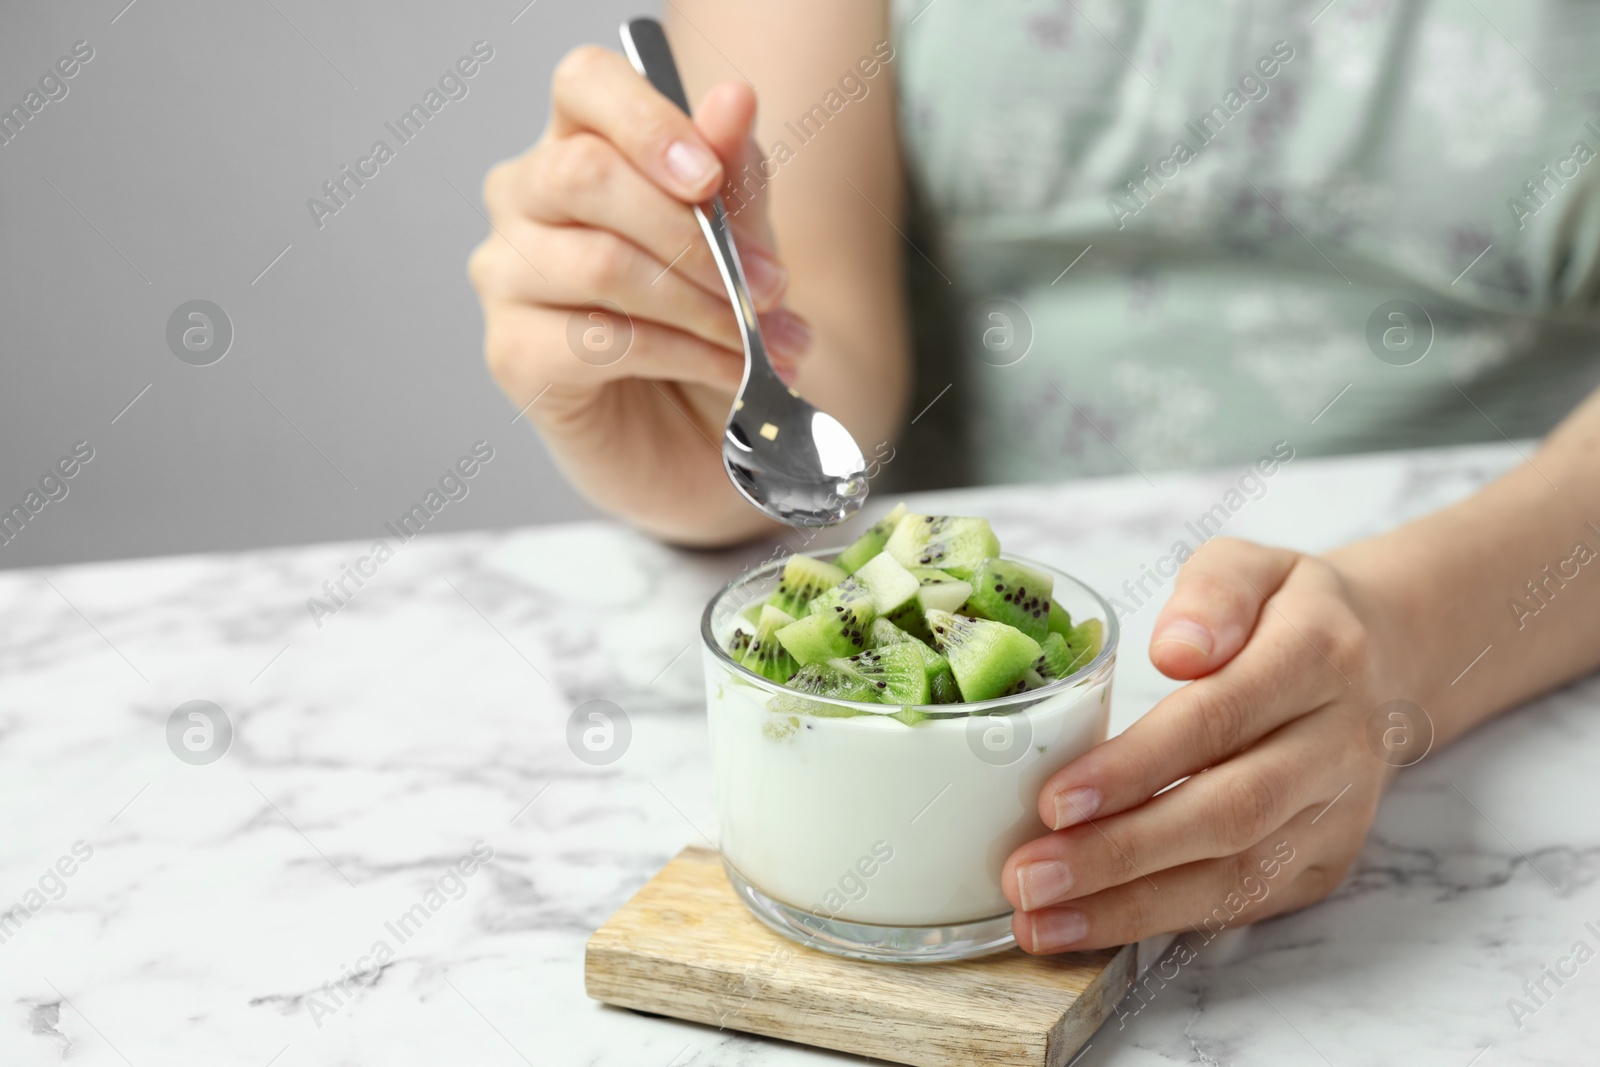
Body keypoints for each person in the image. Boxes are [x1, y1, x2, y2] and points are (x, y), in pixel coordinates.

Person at [468, 1, 1600, 954]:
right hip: (991, 730)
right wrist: (710, 395)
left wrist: (1417, 629)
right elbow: (818, 333)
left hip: (1532, 656)